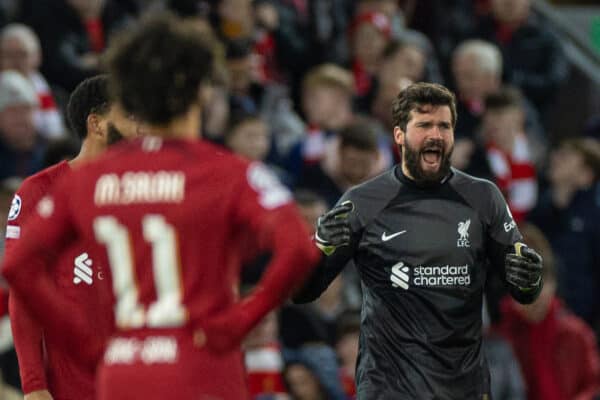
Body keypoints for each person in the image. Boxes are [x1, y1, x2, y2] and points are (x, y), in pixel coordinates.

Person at [1, 13, 318, 400]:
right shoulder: (229, 172)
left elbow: (18, 268)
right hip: (199, 368)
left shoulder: (88, 183)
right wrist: (241, 320)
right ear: (200, 91)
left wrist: (83, 345)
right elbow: (300, 249)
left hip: (126, 367)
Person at [294, 82, 544, 399]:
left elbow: (522, 290)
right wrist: (319, 248)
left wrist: (530, 278)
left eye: (444, 126)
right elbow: (304, 292)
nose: (435, 135)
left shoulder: (484, 197)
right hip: (389, 388)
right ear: (399, 135)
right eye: (424, 125)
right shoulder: (363, 201)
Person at [5, 74, 140, 400]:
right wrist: (34, 384)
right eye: (131, 117)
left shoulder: (149, 191)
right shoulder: (39, 192)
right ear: (96, 124)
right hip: (73, 385)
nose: (143, 128)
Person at [496, 222, 600, 400]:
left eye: (542, 282)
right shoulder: (501, 340)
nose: (534, 298)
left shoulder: (577, 334)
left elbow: (594, 385)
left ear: (554, 282)